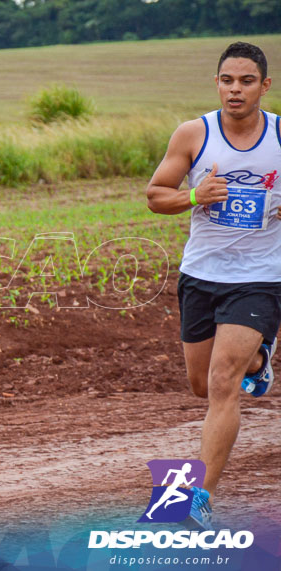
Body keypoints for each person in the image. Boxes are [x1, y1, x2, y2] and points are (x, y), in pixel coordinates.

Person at [146, 41, 278, 530]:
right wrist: (193, 196)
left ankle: (198, 498)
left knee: (224, 382)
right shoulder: (194, 134)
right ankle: (261, 359)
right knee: (201, 385)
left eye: (246, 81)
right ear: (216, 83)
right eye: (227, 80)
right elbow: (156, 195)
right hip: (202, 274)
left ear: (264, 86)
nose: (235, 89)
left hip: (262, 276)